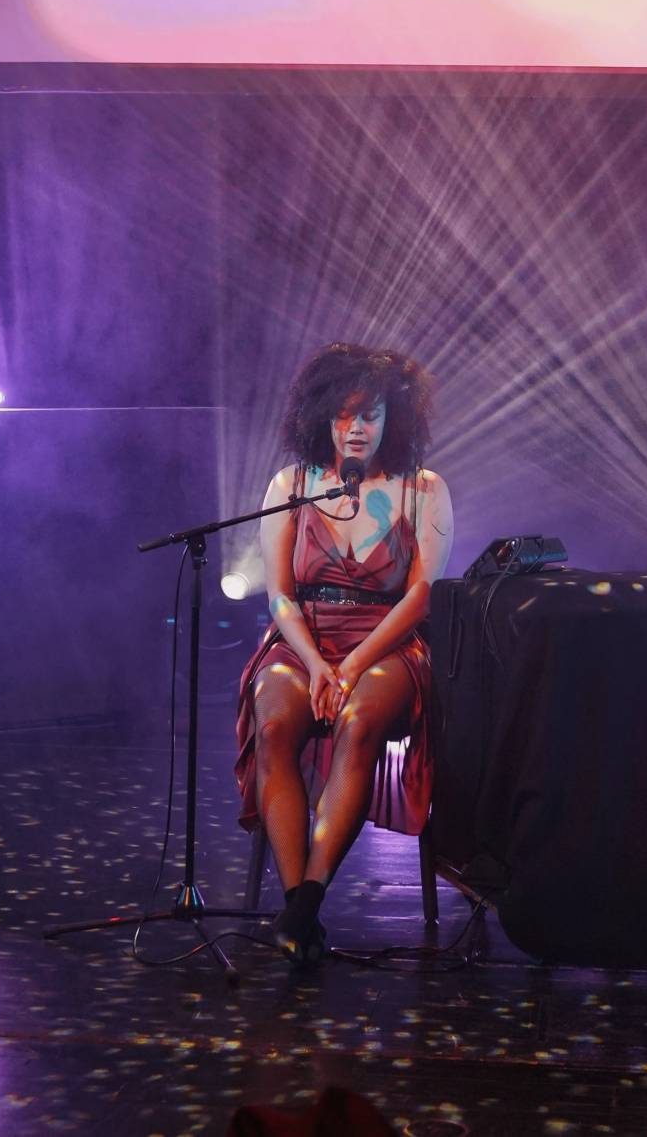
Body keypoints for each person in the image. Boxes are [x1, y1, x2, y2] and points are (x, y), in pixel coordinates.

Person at [233, 343, 453, 967]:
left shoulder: (423, 490)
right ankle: (297, 905)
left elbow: (420, 598)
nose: (356, 429)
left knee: (358, 724)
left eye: (371, 415)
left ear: (394, 419)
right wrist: (316, 661)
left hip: (386, 641)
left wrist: (351, 667)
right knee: (275, 723)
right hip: (303, 639)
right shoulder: (292, 486)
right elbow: (280, 596)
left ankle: (304, 907)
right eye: (343, 414)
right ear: (321, 416)